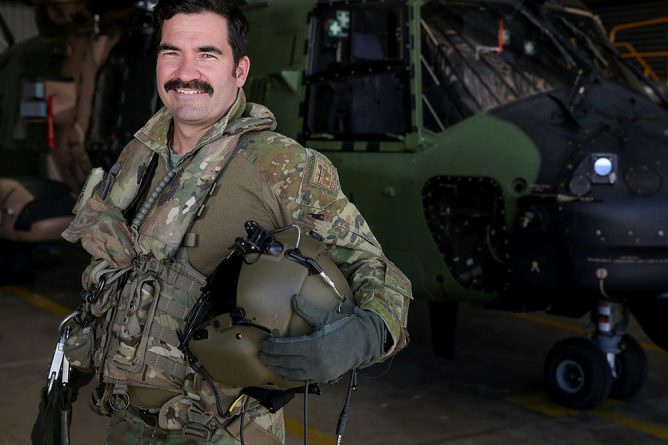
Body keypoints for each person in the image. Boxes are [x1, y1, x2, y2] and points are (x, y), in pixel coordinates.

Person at [60, 0, 412, 443]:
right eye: (172, 52)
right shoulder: (140, 153)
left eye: (207, 54)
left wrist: (360, 336)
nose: (185, 72)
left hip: (223, 430)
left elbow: (378, 274)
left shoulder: (283, 165)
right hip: (128, 422)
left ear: (240, 70)